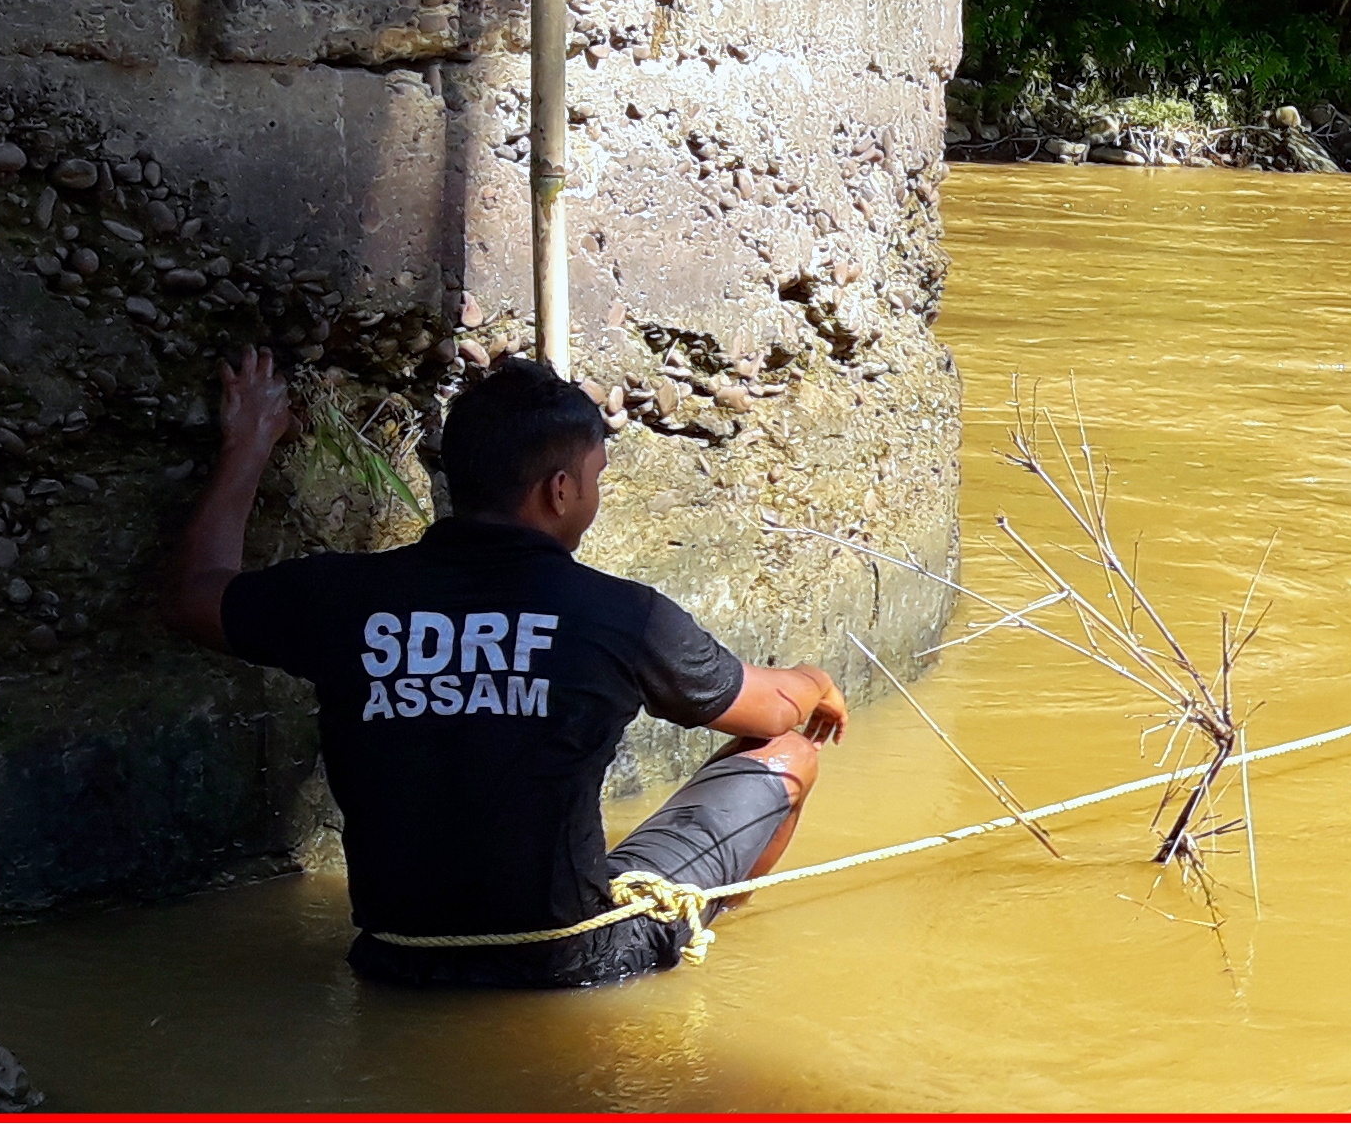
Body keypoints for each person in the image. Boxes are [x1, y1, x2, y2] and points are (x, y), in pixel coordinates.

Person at [162, 351, 851, 988]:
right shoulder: (621, 615)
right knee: (789, 759)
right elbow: (773, 710)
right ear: (559, 490)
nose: (593, 495)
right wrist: (815, 681)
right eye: (595, 479)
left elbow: (193, 597)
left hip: (396, 956)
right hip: (572, 953)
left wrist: (248, 444)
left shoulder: (342, 598)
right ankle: (691, 947)